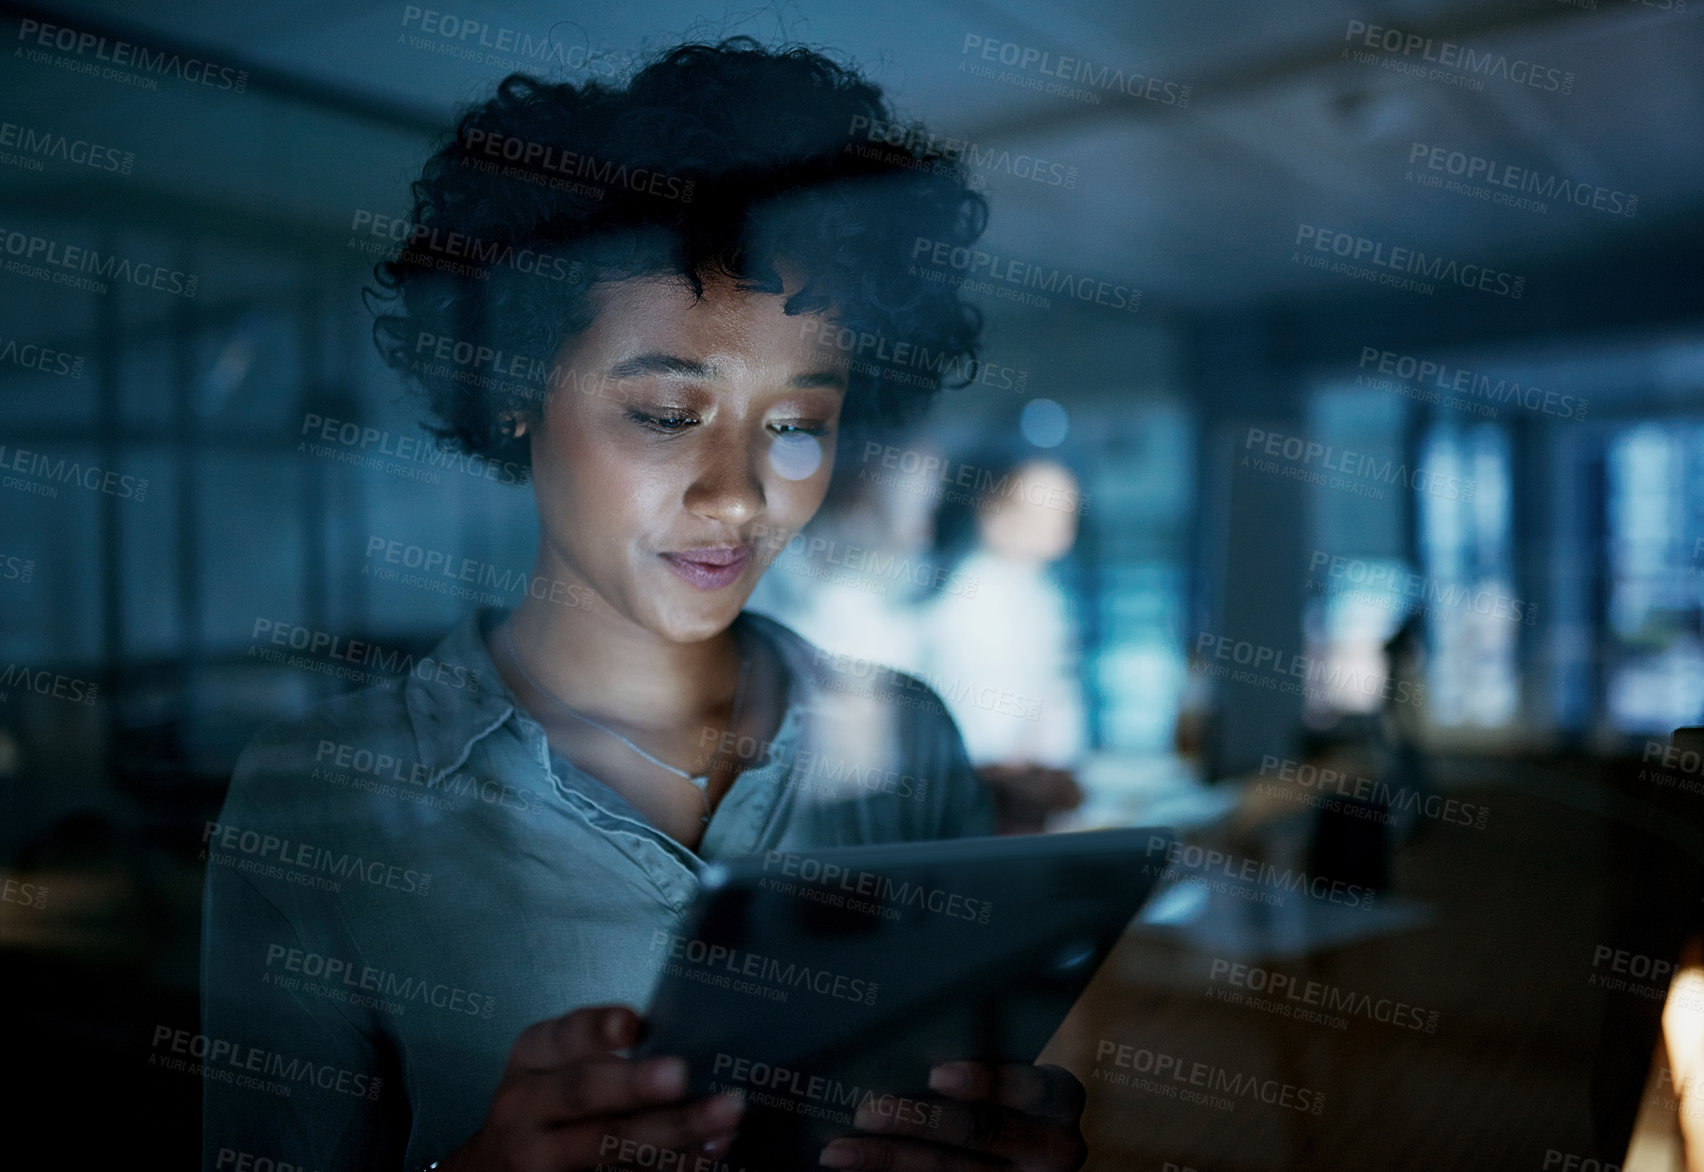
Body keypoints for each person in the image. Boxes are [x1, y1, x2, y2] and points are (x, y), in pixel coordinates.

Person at [200, 39, 1088, 1172]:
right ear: (513, 387)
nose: (740, 495)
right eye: (668, 413)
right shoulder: (321, 799)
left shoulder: (906, 737)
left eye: (797, 423)